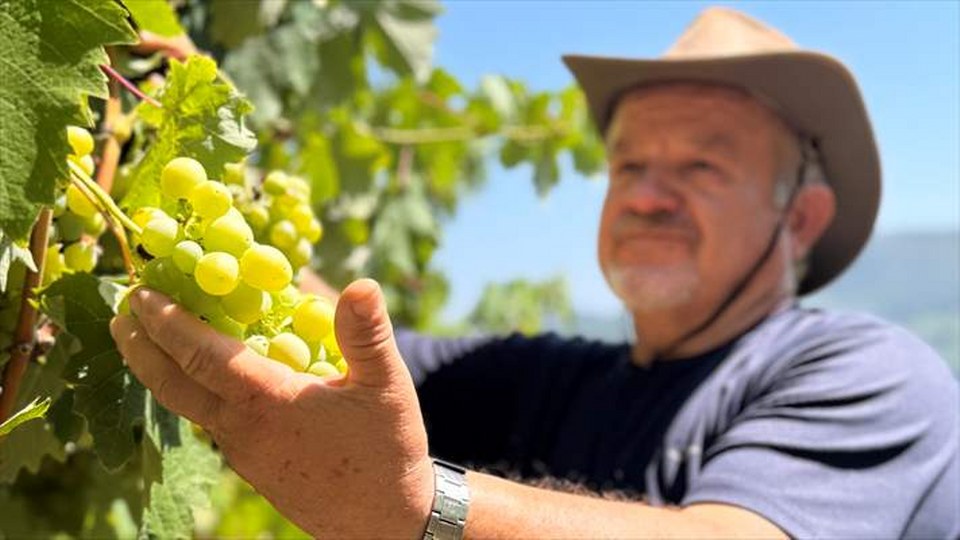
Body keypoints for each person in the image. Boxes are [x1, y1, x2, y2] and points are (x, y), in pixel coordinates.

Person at [111, 7, 959, 539]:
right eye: (629, 165)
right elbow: (322, 330)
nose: (646, 196)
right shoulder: (550, 383)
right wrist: (184, 144)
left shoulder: (873, 375)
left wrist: (417, 509)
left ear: (800, 219)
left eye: (701, 165)